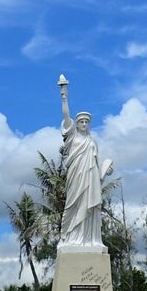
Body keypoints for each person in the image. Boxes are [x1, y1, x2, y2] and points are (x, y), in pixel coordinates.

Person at [58, 78, 113, 247]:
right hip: (76, 176)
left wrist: (105, 170)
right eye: (81, 122)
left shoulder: (92, 141)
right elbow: (66, 116)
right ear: (76, 124)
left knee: (90, 206)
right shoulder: (72, 136)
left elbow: (96, 162)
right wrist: (64, 96)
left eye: (86, 122)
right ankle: (70, 237)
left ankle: (89, 239)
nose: (83, 124)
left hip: (91, 177)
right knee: (73, 205)